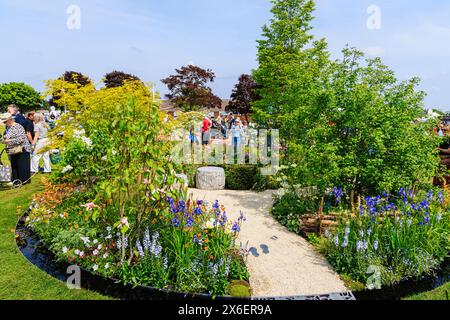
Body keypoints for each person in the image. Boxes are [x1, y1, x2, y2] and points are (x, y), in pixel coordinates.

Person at [1, 113, 32, 184]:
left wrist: (9, 141)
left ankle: (24, 181)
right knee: (14, 165)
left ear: (10, 120)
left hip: (22, 149)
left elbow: (21, 139)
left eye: (5, 121)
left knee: (22, 166)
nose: (4, 123)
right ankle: (16, 180)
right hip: (13, 150)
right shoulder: (8, 127)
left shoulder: (18, 126)